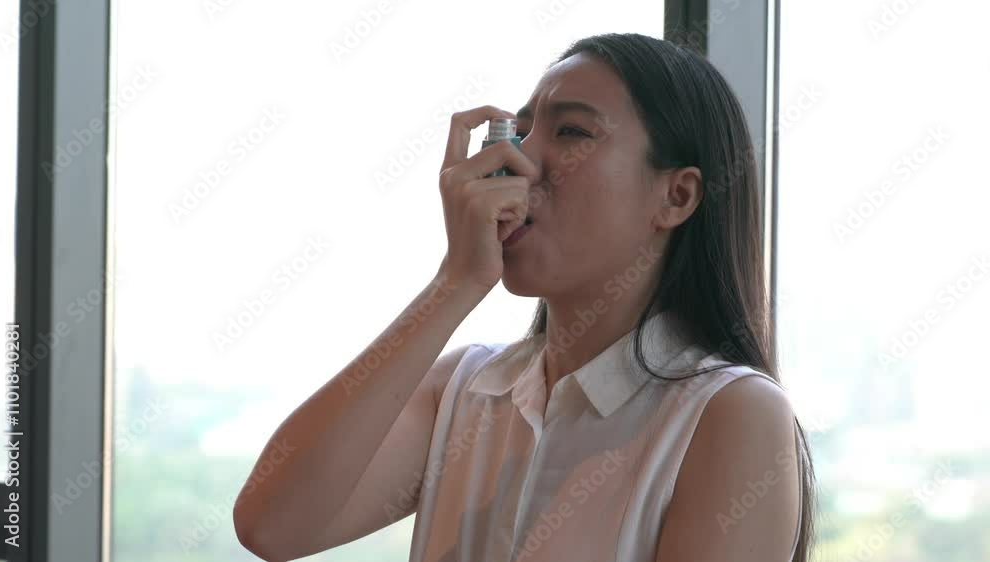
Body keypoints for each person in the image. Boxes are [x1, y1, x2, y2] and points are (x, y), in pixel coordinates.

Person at [234, 32, 815, 562]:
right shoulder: (465, 389)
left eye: (572, 133)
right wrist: (455, 283)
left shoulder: (730, 413)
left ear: (676, 195)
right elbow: (273, 527)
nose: (517, 161)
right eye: (519, 131)